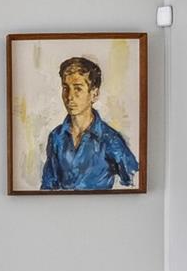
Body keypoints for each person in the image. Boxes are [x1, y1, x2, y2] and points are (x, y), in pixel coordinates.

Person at [39, 56, 138, 190]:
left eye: (78, 89)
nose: (69, 97)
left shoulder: (109, 139)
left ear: (94, 94)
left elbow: (135, 181)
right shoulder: (56, 137)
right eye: (65, 88)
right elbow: (48, 186)